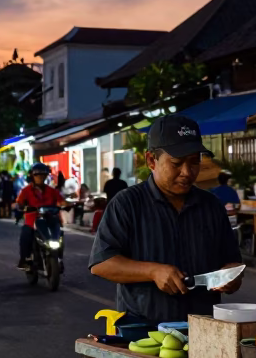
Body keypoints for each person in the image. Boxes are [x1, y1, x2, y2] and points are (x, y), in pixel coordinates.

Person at [90, 114, 243, 327]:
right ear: (151, 160)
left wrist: (231, 276)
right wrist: (152, 271)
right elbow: (101, 263)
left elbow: (232, 261)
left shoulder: (212, 206)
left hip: (203, 331)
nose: (187, 172)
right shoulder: (127, 204)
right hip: (142, 333)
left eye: (194, 162)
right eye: (176, 163)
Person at [16, 163, 67, 267]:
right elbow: (19, 203)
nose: (40, 177)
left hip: (50, 219)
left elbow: (61, 201)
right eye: (37, 175)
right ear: (32, 176)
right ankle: (25, 259)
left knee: (59, 235)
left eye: (43, 175)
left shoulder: (52, 191)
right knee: (25, 234)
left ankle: (59, 258)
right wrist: (22, 207)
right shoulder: (26, 191)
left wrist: (69, 204)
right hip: (32, 221)